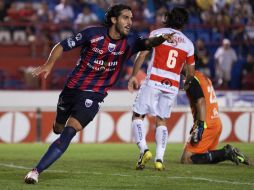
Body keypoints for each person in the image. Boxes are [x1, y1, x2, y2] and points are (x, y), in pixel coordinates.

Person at [24, 4, 175, 184]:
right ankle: (58, 126)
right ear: (114, 20)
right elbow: (61, 45)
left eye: (131, 18)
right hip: (71, 90)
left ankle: (35, 172)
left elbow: (148, 43)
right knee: (58, 128)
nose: (130, 22)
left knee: (68, 133)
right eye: (126, 18)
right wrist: (49, 64)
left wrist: (161, 39)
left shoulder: (131, 41)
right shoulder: (92, 34)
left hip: (94, 95)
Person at [128, 7, 195, 171]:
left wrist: (134, 75)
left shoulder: (157, 33)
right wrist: (186, 83)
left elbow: (142, 55)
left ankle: (144, 150)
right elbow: (190, 71)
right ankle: (159, 159)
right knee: (162, 121)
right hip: (172, 85)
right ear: (184, 23)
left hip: (154, 81)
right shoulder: (188, 43)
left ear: (168, 18)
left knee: (138, 116)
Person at [180, 70, 250, 165]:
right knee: (205, 157)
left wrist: (200, 125)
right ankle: (228, 154)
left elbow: (200, 101)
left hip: (206, 125)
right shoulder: (203, 77)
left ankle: (226, 153)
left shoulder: (192, 78)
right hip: (215, 122)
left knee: (186, 159)